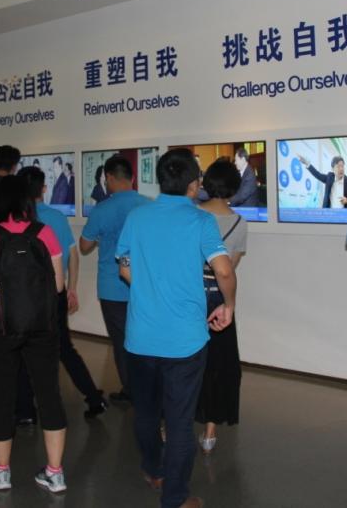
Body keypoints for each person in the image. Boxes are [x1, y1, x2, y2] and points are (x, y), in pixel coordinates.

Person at [116, 148, 235, 508]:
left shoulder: (137, 217)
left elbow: (124, 266)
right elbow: (224, 270)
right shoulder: (201, 221)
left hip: (140, 338)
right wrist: (228, 306)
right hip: (185, 341)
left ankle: (154, 470)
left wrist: (149, 289)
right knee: (180, 422)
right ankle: (175, 498)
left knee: (146, 414)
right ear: (194, 185)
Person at [0, 175, 68, 494]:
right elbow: (59, 285)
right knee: (49, 394)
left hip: (2, 328)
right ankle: (55, 473)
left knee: (2, 396)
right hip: (42, 326)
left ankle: (2, 472)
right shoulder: (45, 232)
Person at [16, 166, 108, 420]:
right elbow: (73, 254)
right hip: (53, 292)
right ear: (43, 189)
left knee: (22, 350)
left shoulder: (12, 219)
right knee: (64, 348)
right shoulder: (55, 218)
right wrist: (72, 288)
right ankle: (94, 398)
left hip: (22, 297)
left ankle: (25, 411)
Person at [79, 154, 150, 403]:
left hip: (112, 286)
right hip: (144, 285)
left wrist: (102, 237)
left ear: (109, 178)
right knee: (146, 338)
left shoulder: (102, 209)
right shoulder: (148, 205)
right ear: (132, 177)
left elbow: (84, 246)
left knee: (121, 342)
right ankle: (150, 388)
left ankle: (131, 390)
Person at [195, 160, 247, 454]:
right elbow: (229, 267)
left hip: (189, 297)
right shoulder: (240, 223)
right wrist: (230, 304)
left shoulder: (192, 215)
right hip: (218, 299)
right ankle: (210, 430)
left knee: (182, 361)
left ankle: (170, 422)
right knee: (218, 364)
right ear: (234, 189)